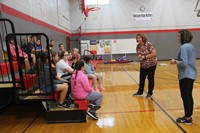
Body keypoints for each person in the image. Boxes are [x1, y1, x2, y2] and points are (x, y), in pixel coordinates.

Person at [170, 29, 197, 125]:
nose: (177, 38)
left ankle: (187, 117)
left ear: (183, 37)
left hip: (186, 75)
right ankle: (188, 116)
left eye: (178, 36)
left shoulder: (184, 47)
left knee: (185, 96)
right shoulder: (191, 46)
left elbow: (184, 63)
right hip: (191, 74)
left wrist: (175, 61)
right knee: (188, 96)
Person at [133, 33, 157, 99]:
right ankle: (140, 92)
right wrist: (139, 56)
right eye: (137, 38)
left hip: (151, 64)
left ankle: (150, 93)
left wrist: (145, 57)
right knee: (141, 78)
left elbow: (154, 53)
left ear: (142, 38)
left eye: (139, 38)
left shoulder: (148, 44)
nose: (137, 39)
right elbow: (138, 54)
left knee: (150, 78)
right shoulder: (138, 46)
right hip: (143, 64)